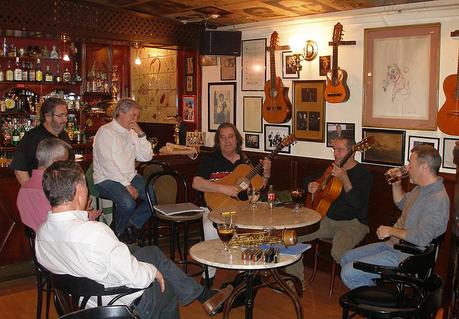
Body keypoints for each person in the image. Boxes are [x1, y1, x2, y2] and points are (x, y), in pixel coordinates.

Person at [35, 160, 233, 318]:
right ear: (79, 191)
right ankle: (201, 294)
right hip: (119, 308)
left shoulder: (41, 236)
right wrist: (153, 271)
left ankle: (202, 294)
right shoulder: (94, 233)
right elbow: (139, 278)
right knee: (168, 288)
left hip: (81, 307)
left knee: (151, 252)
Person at [340, 144, 449, 289]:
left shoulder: (437, 200)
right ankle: (375, 296)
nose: (407, 167)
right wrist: (396, 184)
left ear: (424, 168)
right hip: (394, 246)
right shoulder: (421, 188)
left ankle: (377, 305)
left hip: (409, 256)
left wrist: (391, 231)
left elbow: (422, 238)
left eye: (411, 163)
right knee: (346, 258)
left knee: (349, 273)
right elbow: (403, 204)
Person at [286, 137, 373, 287]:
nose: (336, 154)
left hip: (353, 223)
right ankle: (295, 282)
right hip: (328, 219)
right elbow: (309, 178)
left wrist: (345, 178)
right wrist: (310, 185)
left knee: (338, 252)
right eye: (334, 150)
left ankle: (366, 286)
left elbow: (358, 205)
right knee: (292, 236)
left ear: (352, 152)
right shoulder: (331, 168)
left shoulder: (363, 174)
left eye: (340, 150)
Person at [192, 122, 272, 284]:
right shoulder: (211, 160)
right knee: (209, 227)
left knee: (254, 229)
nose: (227, 141)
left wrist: (267, 172)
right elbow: (196, 183)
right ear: (218, 141)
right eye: (222, 138)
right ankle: (209, 274)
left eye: (230, 137)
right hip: (214, 208)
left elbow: (259, 187)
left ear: (237, 140)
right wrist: (224, 189)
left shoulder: (246, 161)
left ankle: (244, 275)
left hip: (241, 210)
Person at [93, 98, 153, 240]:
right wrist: (127, 185)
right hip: (106, 179)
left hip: (130, 176)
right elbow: (108, 164)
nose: (135, 119)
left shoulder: (132, 132)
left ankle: (130, 225)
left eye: (137, 116)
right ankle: (118, 236)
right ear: (120, 112)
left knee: (154, 198)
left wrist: (141, 134)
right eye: (133, 115)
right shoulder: (105, 131)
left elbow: (146, 157)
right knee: (127, 203)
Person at [17, 137, 100, 231]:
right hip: (62, 240)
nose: (68, 164)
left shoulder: (23, 189)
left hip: (39, 242)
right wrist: (84, 213)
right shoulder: (56, 188)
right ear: (56, 163)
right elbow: (64, 228)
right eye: (66, 160)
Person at [11, 97, 72, 186]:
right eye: (61, 115)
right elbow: (19, 169)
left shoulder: (64, 135)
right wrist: (32, 191)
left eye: (66, 115)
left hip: (61, 192)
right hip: (41, 190)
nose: (65, 119)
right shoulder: (31, 137)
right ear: (47, 117)